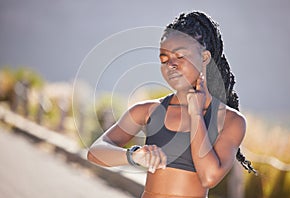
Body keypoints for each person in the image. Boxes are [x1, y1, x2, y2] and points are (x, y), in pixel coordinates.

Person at [87, 11, 256, 198]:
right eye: (164, 60)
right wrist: (134, 156)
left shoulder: (230, 120)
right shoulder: (148, 111)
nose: (171, 66)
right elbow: (95, 152)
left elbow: (209, 177)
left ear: (205, 58)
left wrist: (196, 115)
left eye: (180, 56)